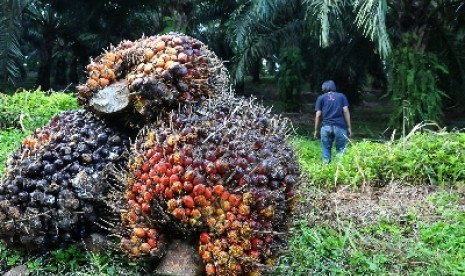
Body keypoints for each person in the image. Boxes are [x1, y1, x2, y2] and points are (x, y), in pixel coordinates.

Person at [313, 80, 352, 163]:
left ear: (324, 88)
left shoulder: (321, 98)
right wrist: (349, 127)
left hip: (326, 127)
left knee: (326, 149)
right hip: (340, 126)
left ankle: (326, 171)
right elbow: (345, 111)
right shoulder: (341, 96)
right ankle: (339, 170)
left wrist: (316, 130)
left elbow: (318, 115)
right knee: (341, 150)